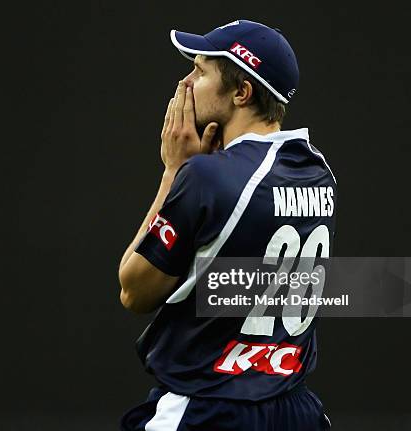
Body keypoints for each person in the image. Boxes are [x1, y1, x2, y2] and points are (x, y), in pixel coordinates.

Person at [118, 19, 335, 430]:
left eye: (200, 71)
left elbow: (133, 289)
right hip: (295, 409)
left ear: (241, 92)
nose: (185, 81)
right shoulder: (319, 172)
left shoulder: (206, 177)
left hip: (211, 407)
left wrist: (173, 173)